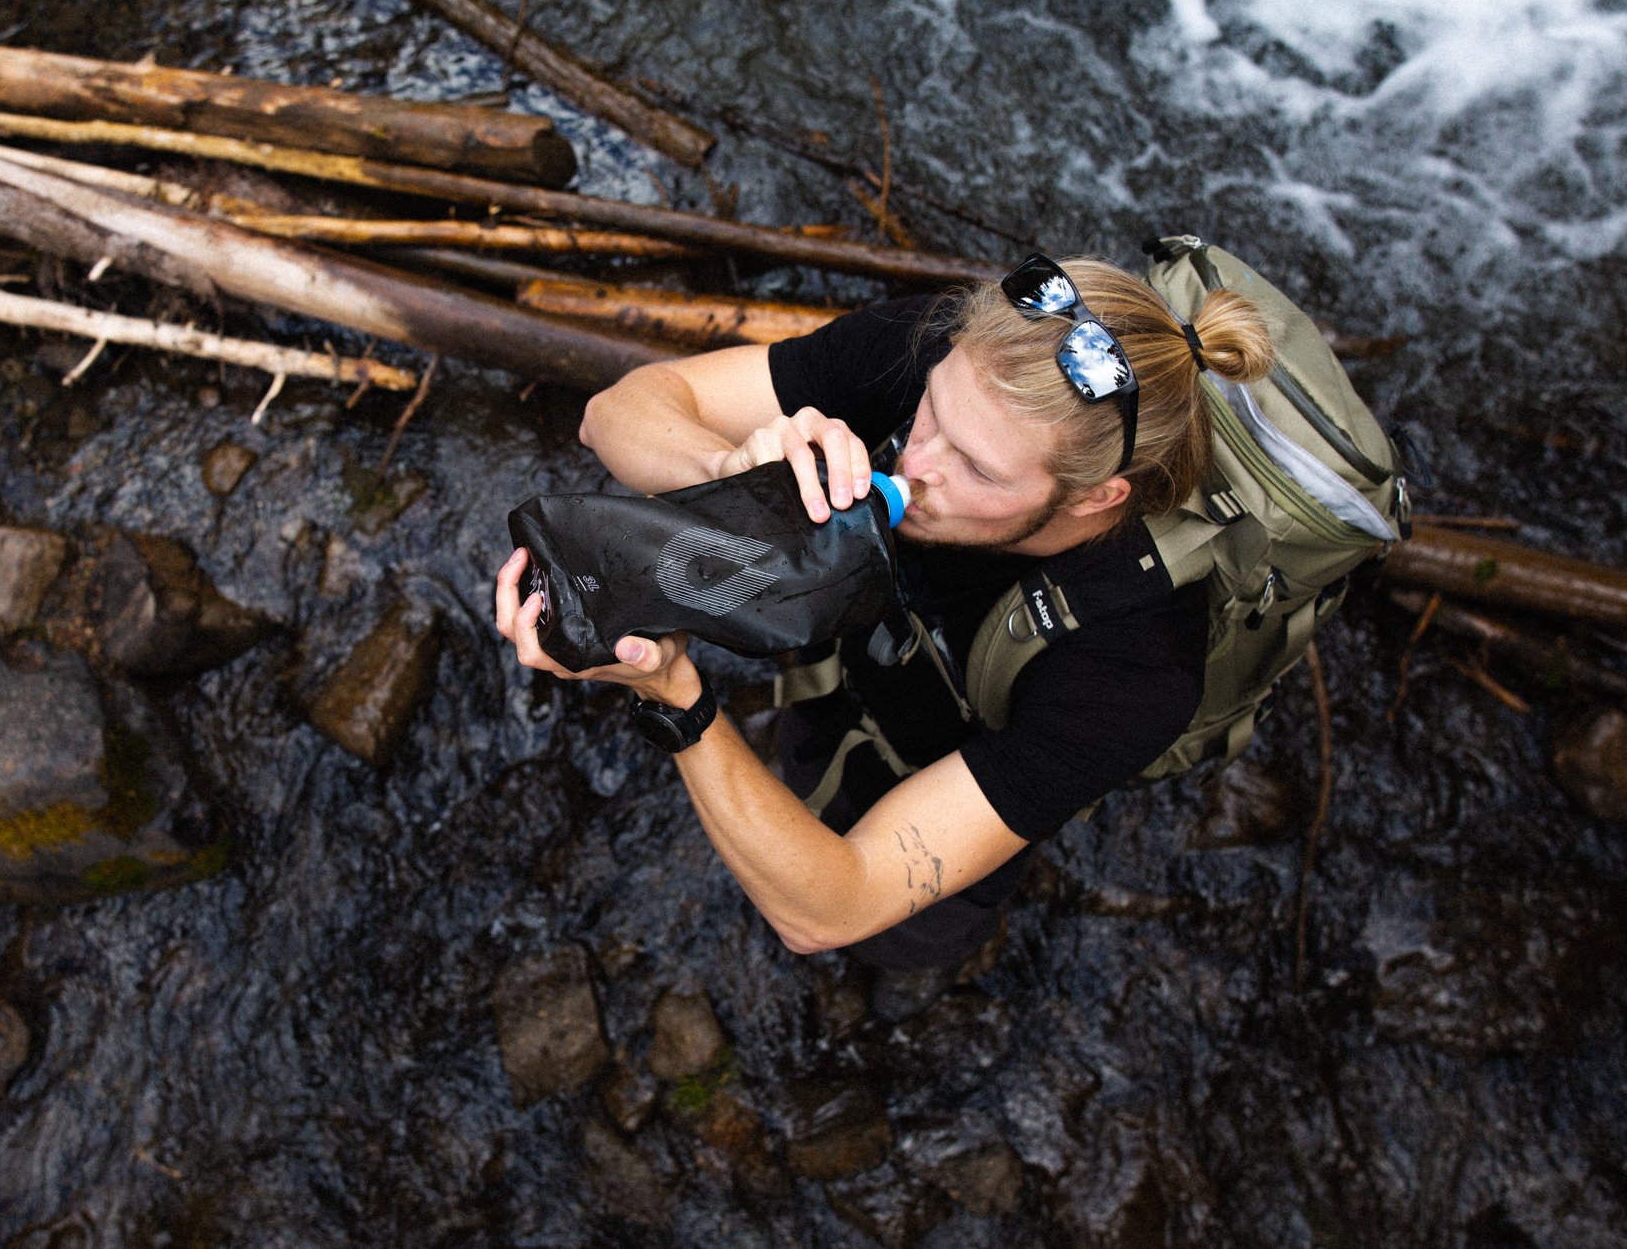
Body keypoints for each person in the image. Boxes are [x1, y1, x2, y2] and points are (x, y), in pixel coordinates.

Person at [493, 253, 1275, 1012]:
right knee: (799, 759)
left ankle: (923, 977)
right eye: (933, 408)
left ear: (1097, 497)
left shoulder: (1135, 667)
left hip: (947, 785)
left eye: (978, 469)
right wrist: (735, 470)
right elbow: (614, 415)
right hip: (843, 680)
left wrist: (678, 702)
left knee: (902, 935)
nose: (917, 461)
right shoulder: (938, 353)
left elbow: (828, 908)